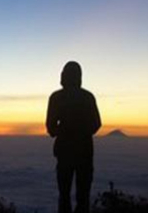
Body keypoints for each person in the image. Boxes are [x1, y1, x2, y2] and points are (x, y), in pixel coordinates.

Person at [46, 61, 101, 213]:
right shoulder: (88, 97)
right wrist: (82, 132)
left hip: (64, 151)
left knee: (64, 195)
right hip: (85, 151)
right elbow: (97, 124)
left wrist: (64, 131)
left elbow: (50, 128)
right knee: (83, 196)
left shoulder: (56, 98)